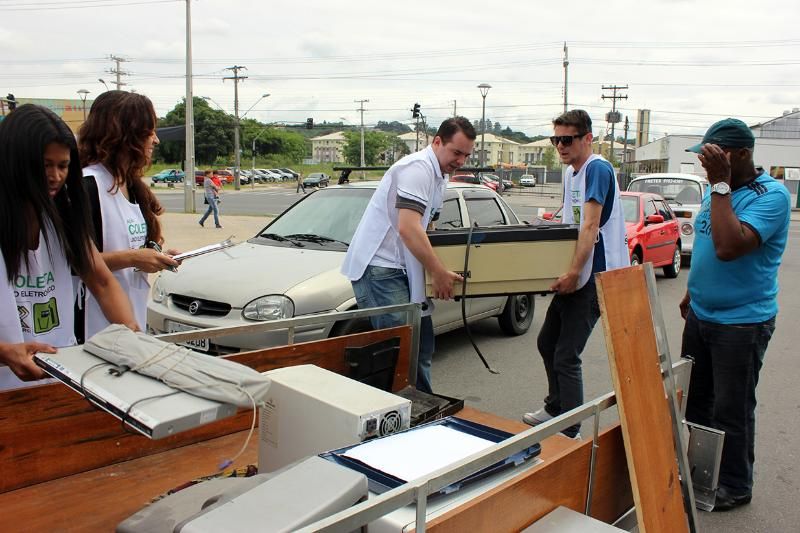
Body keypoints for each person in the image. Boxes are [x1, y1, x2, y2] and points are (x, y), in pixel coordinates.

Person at [680, 118, 790, 511]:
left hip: (742, 323)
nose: (707, 164)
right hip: (702, 315)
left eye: (716, 155)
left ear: (741, 155)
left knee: (732, 408)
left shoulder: (771, 196)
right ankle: (699, 474)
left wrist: (721, 185)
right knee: (697, 402)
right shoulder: (717, 192)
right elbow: (708, 242)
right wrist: (693, 291)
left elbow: (729, 247)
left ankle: (735, 484)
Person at [0, 104, 138, 388]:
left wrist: (132, 336)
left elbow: (101, 281)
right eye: (45, 165)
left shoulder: (63, 217)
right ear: (14, 161)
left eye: (63, 166)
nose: (55, 176)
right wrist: (5, 351)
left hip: (56, 380)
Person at [341, 117, 471, 394]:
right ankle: (402, 420)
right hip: (380, 269)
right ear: (437, 142)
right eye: (456, 152)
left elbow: (428, 227)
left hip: (404, 271)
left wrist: (437, 268)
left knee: (421, 348)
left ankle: (421, 410)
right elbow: (409, 228)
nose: (461, 160)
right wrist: (437, 272)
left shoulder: (440, 176)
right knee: (400, 356)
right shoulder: (417, 169)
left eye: (466, 155)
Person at [522, 109, 628, 439]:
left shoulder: (596, 169)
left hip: (594, 275)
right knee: (546, 341)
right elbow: (571, 221)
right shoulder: (571, 173)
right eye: (556, 140)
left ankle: (571, 430)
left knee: (567, 354)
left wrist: (572, 272)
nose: (560, 146)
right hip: (573, 271)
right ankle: (556, 409)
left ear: (587, 138)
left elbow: (590, 226)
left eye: (567, 140)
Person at [78, 91, 179, 339]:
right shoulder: (87, 185)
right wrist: (134, 258)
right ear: (125, 135)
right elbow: (75, 263)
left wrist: (155, 256)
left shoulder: (132, 185)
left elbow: (131, 249)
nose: (155, 140)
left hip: (131, 323)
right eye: (149, 132)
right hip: (93, 328)